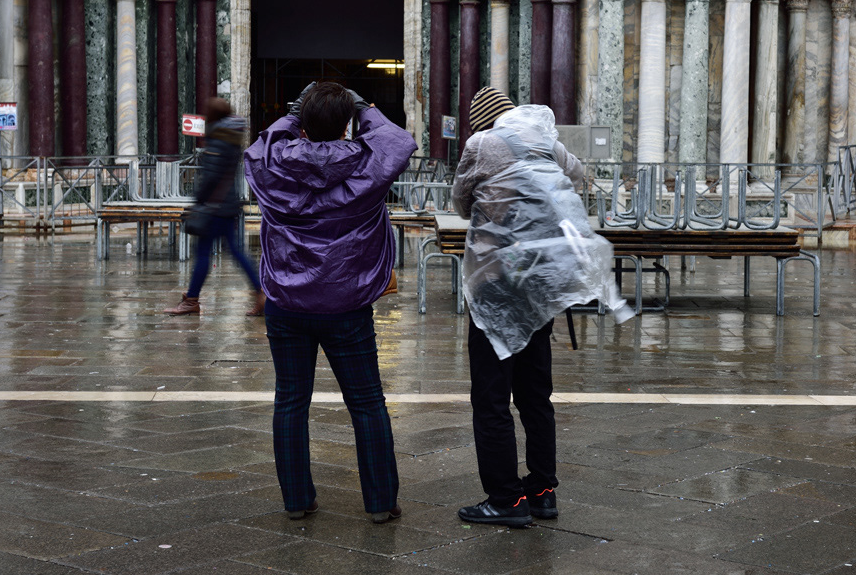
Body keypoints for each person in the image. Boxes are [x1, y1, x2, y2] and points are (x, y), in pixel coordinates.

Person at [452, 87, 633, 528]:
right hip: (541, 283)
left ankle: (505, 500)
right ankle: (543, 490)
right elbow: (578, 178)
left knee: (492, 397)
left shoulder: (480, 145)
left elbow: (460, 204)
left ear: (483, 121)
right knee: (535, 394)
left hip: (498, 283)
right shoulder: (547, 143)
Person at [244, 81, 417, 523]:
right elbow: (398, 141)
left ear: (301, 122)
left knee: (290, 402)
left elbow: (259, 147)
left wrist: (292, 115)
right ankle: (380, 503)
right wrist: (365, 108)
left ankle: (297, 501)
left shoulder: (274, 166)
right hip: (347, 304)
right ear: (346, 123)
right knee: (367, 403)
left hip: (286, 301)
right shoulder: (368, 166)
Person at [166, 98, 263, 316]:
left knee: (202, 254)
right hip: (227, 206)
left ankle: (192, 300)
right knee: (237, 252)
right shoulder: (232, 138)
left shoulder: (218, 140)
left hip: (214, 208)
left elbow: (210, 177)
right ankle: (261, 292)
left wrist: (197, 201)